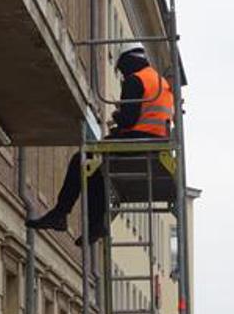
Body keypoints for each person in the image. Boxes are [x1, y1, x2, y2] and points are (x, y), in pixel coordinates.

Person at [25, 42, 174, 245]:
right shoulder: (160, 82)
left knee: (83, 158)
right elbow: (149, 115)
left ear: (127, 62)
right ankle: (96, 223)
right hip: (157, 143)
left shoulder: (135, 80)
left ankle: (61, 213)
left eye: (121, 69)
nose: (121, 75)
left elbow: (129, 119)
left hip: (139, 141)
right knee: (96, 168)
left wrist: (117, 115)